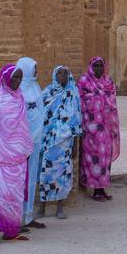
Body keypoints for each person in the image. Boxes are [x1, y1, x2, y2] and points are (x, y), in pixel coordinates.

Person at [0, 64, 33, 246]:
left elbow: (23, 126)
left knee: (15, 196)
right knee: (2, 194)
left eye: (20, 78)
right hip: (1, 157)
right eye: (15, 78)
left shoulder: (19, 98)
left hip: (18, 157)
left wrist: (25, 148)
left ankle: (10, 231)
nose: (17, 81)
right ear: (6, 78)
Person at [35, 65, 82, 219]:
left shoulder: (73, 93)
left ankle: (60, 208)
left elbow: (76, 120)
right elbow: (39, 116)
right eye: (60, 73)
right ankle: (42, 207)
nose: (63, 76)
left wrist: (75, 144)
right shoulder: (47, 93)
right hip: (48, 142)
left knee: (63, 174)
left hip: (65, 143)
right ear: (55, 75)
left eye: (65, 73)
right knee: (45, 174)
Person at [77, 56, 120, 201]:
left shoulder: (108, 81)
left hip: (106, 127)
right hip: (91, 129)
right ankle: (95, 190)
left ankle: (102, 188)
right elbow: (79, 101)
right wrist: (96, 98)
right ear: (91, 66)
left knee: (104, 158)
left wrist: (98, 97)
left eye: (101, 66)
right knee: (94, 158)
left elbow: (112, 101)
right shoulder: (84, 81)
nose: (98, 69)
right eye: (96, 66)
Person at [15, 56, 47, 230]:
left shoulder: (35, 87)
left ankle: (28, 216)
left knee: (31, 180)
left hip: (34, 143)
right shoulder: (16, 90)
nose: (36, 71)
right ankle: (16, 218)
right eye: (34, 68)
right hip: (21, 144)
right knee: (19, 181)